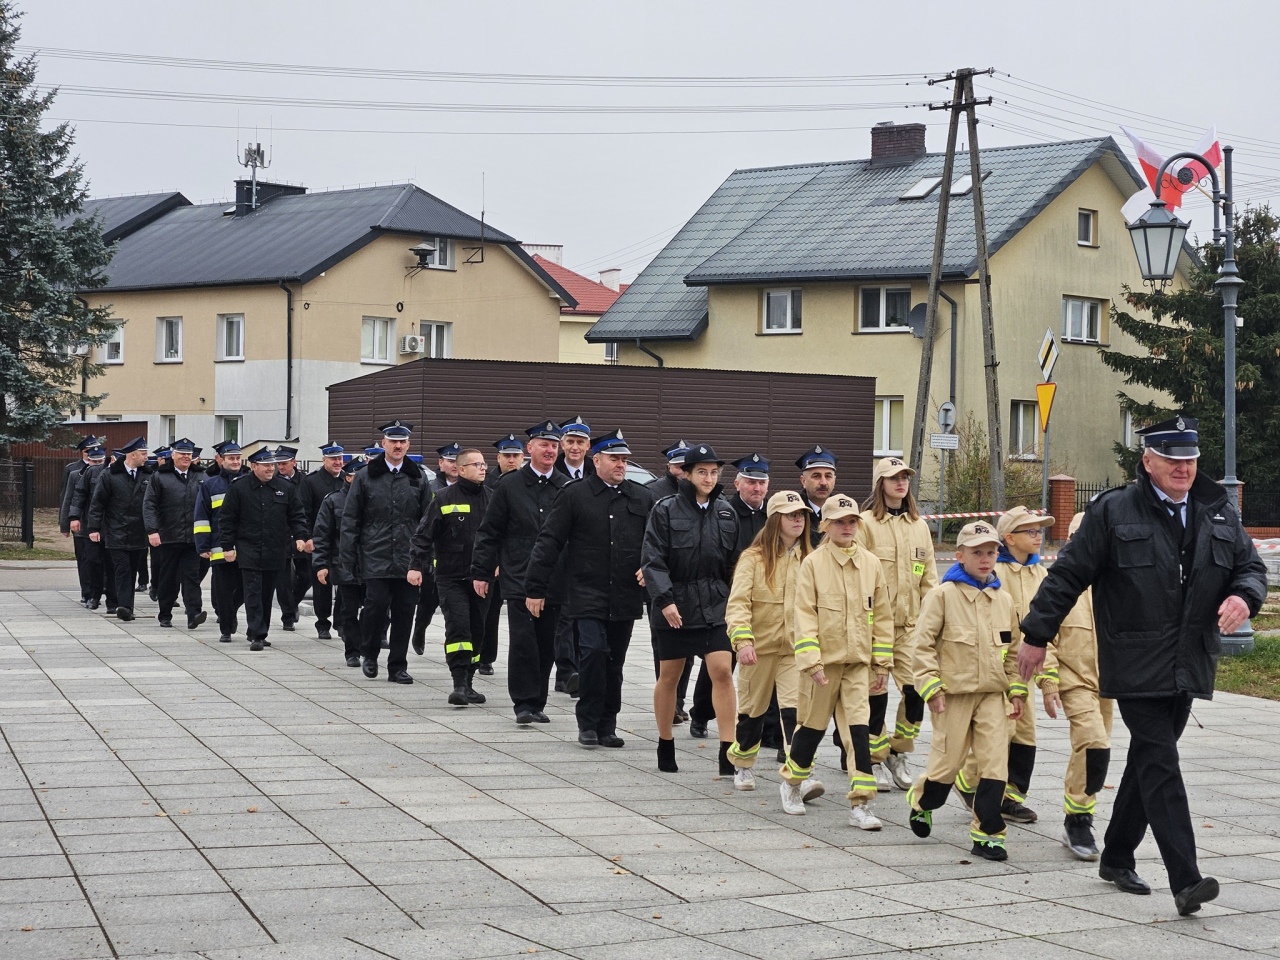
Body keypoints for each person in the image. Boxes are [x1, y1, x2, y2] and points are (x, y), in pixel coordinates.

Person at [1018, 416, 1266, 916]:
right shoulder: (1113, 511)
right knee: (1161, 761)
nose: (1183, 468)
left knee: (1149, 760)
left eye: (1190, 459)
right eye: (1173, 460)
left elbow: (1251, 567)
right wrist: (1036, 635)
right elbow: (1067, 576)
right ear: (1148, 461)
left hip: (1189, 657)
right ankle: (1186, 879)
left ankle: (1116, 855)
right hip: (1133, 657)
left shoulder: (1217, 510)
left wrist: (1244, 597)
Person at [906, 520, 1027, 861]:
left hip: (992, 696)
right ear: (960, 556)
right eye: (977, 552)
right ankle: (922, 801)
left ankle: (988, 834)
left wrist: (1017, 691)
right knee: (947, 765)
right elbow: (923, 645)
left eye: (991, 552)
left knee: (994, 766)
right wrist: (931, 687)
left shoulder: (1003, 600)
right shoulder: (942, 596)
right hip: (952, 695)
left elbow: (1014, 650)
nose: (986, 558)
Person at [526, 429, 654, 748]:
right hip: (585, 592)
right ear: (596, 460)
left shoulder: (641, 497)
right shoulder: (574, 495)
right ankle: (587, 721)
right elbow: (550, 541)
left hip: (624, 595)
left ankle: (608, 725)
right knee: (594, 653)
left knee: (615, 662)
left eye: (624, 459)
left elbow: (657, 542)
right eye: (614, 459)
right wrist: (535, 587)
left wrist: (649, 567)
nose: (621, 465)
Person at [780, 494, 892, 829]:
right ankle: (792, 782)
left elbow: (883, 616)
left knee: (859, 732)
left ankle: (861, 804)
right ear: (824, 526)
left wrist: (882, 664)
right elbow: (803, 615)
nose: (847, 527)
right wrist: (811, 661)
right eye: (839, 522)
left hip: (857, 665)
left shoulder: (871, 563)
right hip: (822, 669)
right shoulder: (813, 564)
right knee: (811, 730)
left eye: (852, 521)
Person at [642, 444, 739, 776]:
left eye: (714, 472)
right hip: (676, 606)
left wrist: (737, 604)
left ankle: (729, 750)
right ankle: (665, 742)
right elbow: (652, 559)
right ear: (686, 473)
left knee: (722, 672)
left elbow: (734, 565)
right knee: (669, 676)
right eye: (702, 472)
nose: (709, 478)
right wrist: (665, 600)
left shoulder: (726, 512)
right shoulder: (665, 509)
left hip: (716, 605)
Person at [956, 505, 1054, 823]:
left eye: (1040, 530)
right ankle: (968, 780)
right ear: (1009, 538)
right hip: (1001, 669)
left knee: (1025, 734)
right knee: (1001, 732)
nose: (1038, 535)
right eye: (1030, 531)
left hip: (1031, 666)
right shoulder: (997, 575)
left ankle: (1011, 796)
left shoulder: (1042, 574)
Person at [471, 420, 568, 724]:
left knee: (547, 642)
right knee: (524, 640)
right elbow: (489, 531)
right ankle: (524, 703)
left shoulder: (566, 487)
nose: (550, 450)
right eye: (544, 444)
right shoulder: (509, 485)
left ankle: (538, 701)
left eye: (554, 445)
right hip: (518, 574)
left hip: (554, 578)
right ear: (530, 449)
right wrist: (481, 571)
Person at [726, 490, 821, 799]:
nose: (798, 520)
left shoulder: (812, 558)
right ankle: (742, 763)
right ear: (775, 520)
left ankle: (799, 774)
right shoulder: (753, 559)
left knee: (796, 712)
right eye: (792, 515)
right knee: (752, 713)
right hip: (759, 649)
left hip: (796, 651)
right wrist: (742, 640)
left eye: (802, 515)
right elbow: (738, 603)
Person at [857, 456, 938, 792]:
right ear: (881, 484)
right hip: (875, 627)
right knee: (875, 693)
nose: (900, 483)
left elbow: (929, 577)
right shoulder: (864, 524)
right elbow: (858, 576)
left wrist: (933, 620)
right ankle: (873, 759)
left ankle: (898, 751)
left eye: (904, 477)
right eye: (893, 478)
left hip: (910, 627)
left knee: (916, 690)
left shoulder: (918, 525)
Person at [1038, 512, 1113, 861]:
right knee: (1093, 741)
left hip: (1108, 682)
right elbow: (1044, 636)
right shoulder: (1061, 583)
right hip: (1074, 679)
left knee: (1094, 748)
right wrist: (1049, 680)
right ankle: (1078, 820)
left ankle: (1079, 811)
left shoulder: (1114, 583)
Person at [341, 420, 432, 684]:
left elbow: (428, 519)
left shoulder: (418, 477)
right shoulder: (365, 476)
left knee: (405, 611)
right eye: (393, 441)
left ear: (408, 445)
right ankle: (369, 653)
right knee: (375, 607)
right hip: (375, 554)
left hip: (409, 557)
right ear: (384, 444)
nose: (398, 446)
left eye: (402, 442)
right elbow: (351, 519)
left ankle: (398, 666)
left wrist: (425, 557)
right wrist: (349, 557)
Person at [689, 454, 771, 739]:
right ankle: (700, 714)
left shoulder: (771, 517)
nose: (756, 488)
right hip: (729, 596)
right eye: (750, 482)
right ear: (737, 483)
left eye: (761, 483)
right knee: (722, 661)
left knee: (766, 662)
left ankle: (767, 727)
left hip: (764, 599)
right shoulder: (725, 511)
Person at [409, 447, 491, 706]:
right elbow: (423, 535)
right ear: (461, 469)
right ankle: (458, 683)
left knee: (478, 630)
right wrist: (415, 565)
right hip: (451, 576)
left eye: (484, 464)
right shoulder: (443, 498)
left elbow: (502, 536)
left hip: (483, 578)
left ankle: (469, 681)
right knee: (458, 627)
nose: (483, 468)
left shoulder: (493, 498)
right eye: (476, 464)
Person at [219, 448, 308, 651]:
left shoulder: (284, 487)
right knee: (253, 591)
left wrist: (301, 536)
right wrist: (227, 546)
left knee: (267, 593)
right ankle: (257, 634)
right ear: (254, 466)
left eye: (272, 465)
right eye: (266, 465)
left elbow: (296, 514)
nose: (270, 469)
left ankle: (259, 630)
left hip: (275, 548)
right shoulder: (239, 488)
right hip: (248, 548)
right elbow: (227, 519)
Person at [647, 440, 693, 722]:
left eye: (683, 466)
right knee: (665, 648)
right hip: (662, 579)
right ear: (668, 465)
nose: (680, 471)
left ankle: (679, 701)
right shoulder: (652, 493)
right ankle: (668, 701)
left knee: (687, 651)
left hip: (691, 585)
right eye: (676, 465)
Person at [142, 437, 207, 629]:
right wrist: (152, 531)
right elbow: (149, 505)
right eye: (182, 454)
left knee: (192, 577)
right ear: (173, 455)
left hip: (193, 537)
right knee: (168, 577)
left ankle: (194, 614)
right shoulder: (160, 477)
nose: (186, 457)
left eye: (189, 454)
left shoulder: (201, 477)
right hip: (168, 536)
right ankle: (165, 614)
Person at [86, 437, 152, 621]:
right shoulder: (109, 475)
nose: (146, 457)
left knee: (132, 570)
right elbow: (97, 503)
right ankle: (123, 606)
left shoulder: (148, 475)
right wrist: (93, 528)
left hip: (139, 532)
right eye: (143, 454)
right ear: (132, 454)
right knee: (122, 570)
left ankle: (127, 606)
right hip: (116, 531)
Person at [476, 433, 525, 674]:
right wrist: (491, 560)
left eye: (516, 456)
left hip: (517, 557)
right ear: (498, 458)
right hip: (493, 557)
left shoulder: (526, 482)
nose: (512, 460)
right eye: (507, 456)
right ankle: (484, 657)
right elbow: (487, 527)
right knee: (489, 609)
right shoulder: (488, 483)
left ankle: (490, 655)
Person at [312, 458, 365, 666]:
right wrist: (321, 564)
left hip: (373, 564)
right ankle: (352, 651)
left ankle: (369, 646)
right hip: (344, 564)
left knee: (373, 609)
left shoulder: (374, 498)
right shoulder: (333, 501)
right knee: (349, 611)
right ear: (349, 477)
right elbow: (322, 534)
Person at [194, 440, 245, 642]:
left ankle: (230, 612)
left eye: (238, 458)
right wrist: (202, 545)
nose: (235, 462)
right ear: (220, 460)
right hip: (218, 546)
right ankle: (225, 628)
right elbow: (201, 517)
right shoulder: (210, 485)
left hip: (244, 546)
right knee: (223, 589)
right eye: (231, 458)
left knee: (244, 588)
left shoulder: (248, 482)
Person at [299, 443, 347, 639]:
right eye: (333, 458)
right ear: (324, 460)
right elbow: (303, 511)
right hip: (321, 539)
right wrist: (307, 537)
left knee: (345, 584)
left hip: (343, 542)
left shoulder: (347, 479)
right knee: (322, 583)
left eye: (340, 458)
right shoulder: (312, 482)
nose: (337, 462)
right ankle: (323, 621)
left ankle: (341, 621)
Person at [62, 441, 105, 607]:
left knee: (102, 560)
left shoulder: (108, 474)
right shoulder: (75, 473)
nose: (96, 465)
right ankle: (88, 593)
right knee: (86, 560)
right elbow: (68, 499)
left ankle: (102, 591)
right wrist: (66, 523)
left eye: (99, 461)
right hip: (83, 524)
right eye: (93, 461)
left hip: (104, 525)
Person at [271, 446, 306, 631]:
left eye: (284, 463)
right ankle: (288, 616)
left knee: (307, 575)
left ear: (294, 462)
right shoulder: (273, 481)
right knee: (282, 580)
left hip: (300, 534)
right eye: (278, 463)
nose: (280, 466)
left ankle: (292, 604)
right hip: (281, 535)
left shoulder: (305, 481)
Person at [796, 446, 837, 548]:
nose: (823, 482)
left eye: (828, 476)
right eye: (816, 476)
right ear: (803, 481)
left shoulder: (841, 511)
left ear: (834, 480)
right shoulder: (794, 512)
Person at [555, 416, 595, 482]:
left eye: (580, 442)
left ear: (588, 445)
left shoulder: (597, 471)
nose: (575, 447)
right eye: (570, 442)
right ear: (562, 444)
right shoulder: (552, 469)